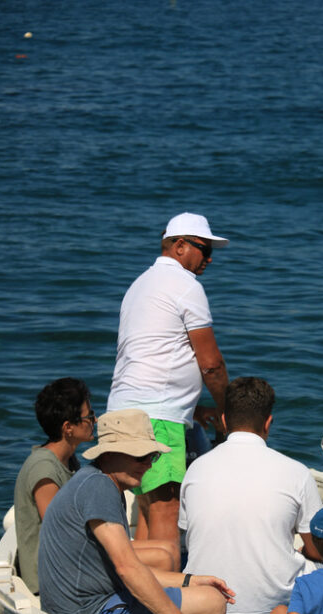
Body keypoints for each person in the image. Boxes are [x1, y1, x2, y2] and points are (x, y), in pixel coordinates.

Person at [38, 410, 235, 614]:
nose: (149, 465)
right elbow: (127, 568)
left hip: (76, 610)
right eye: (140, 456)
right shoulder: (99, 488)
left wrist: (190, 580)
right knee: (212, 603)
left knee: (203, 592)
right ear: (109, 454)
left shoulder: (97, 481)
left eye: (153, 456)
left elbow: (129, 568)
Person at [107, 212, 230, 546]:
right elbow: (211, 365)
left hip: (120, 413)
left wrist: (195, 410)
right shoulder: (186, 286)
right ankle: (168, 596)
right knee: (166, 510)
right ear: (179, 246)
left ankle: (142, 596)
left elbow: (152, 360)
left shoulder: (139, 285)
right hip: (157, 420)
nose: (209, 259)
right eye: (204, 249)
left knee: (147, 507)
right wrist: (227, 410)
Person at [178, 377, 323, 614]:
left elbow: (188, 538)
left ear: (224, 421)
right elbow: (316, 549)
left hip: (206, 610)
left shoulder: (195, 470)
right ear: (268, 422)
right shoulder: (296, 473)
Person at [14, 378, 96, 594]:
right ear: (68, 427)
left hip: (71, 568)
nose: (94, 419)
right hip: (53, 582)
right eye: (89, 416)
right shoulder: (44, 469)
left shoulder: (68, 460)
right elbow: (60, 532)